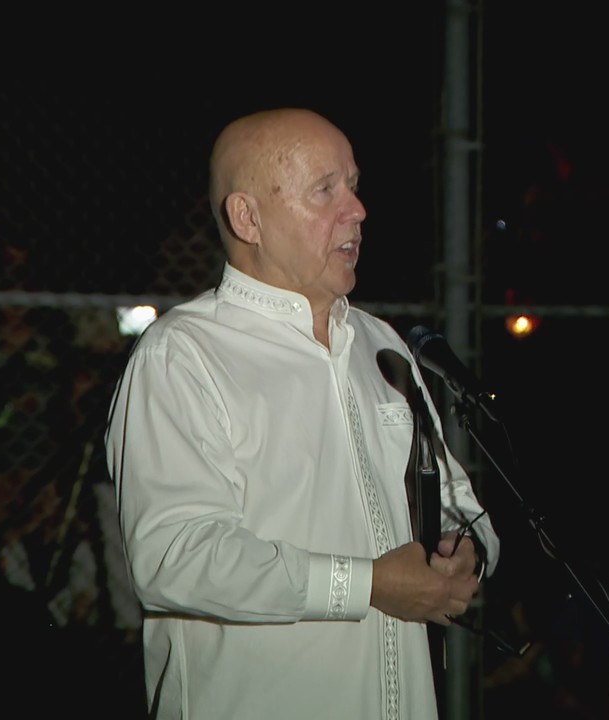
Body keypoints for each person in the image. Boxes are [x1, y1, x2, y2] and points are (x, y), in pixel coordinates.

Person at [104, 107, 499, 720]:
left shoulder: (384, 346)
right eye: (326, 190)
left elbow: (459, 503)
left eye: (355, 185)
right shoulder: (183, 355)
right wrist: (368, 584)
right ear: (247, 217)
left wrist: (466, 549)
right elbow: (175, 557)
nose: (358, 210)